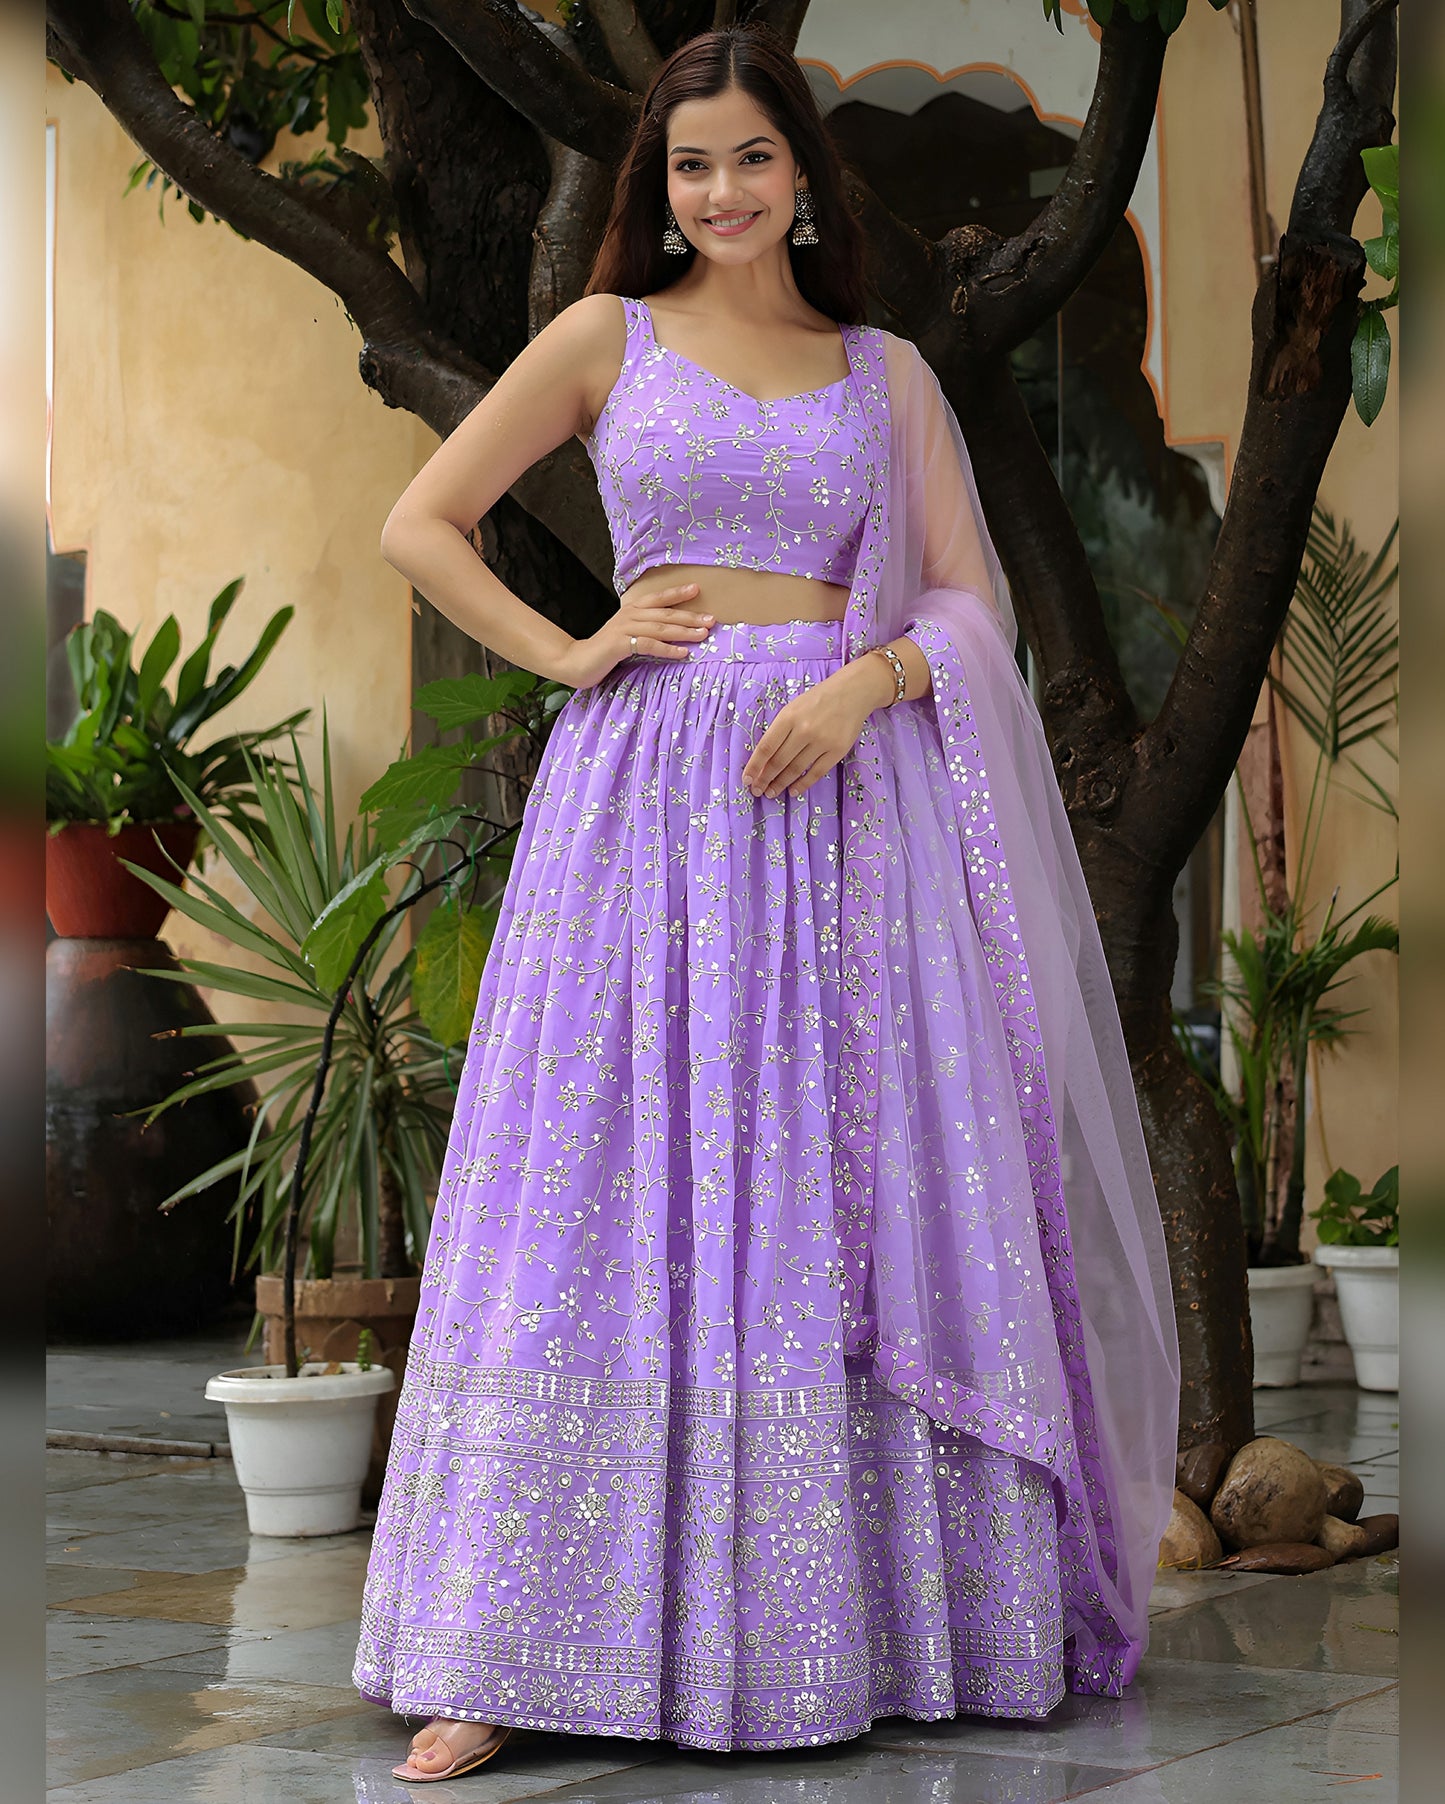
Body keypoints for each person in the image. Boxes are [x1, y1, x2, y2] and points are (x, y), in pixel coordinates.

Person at [352, 22, 1180, 1785]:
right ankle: (497, 1644)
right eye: (688, 167)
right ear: (660, 191)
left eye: (748, 158)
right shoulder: (604, 338)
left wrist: (868, 683)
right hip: (643, 808)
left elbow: (973, 608)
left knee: (828, 1184)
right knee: (602, 1190)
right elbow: (422, 521)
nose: (719, 193)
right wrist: (578, 648)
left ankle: (865, 1621)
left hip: (839, 811)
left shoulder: (886, 377)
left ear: (805, 174)